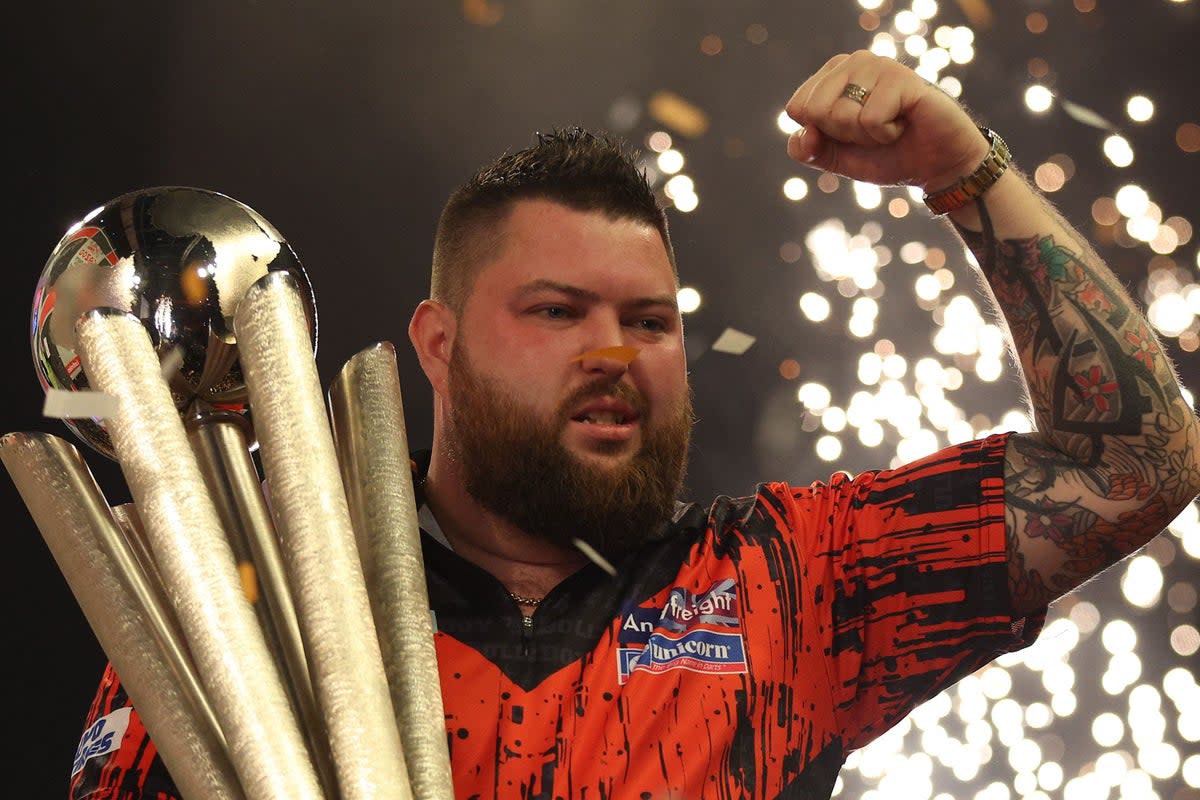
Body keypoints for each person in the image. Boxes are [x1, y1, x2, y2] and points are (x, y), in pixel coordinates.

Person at [69, 51, 1199, 799]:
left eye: (649, 320)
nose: (613, 354)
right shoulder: (252, 604)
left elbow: (1132, 461)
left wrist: (964, 170)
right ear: (438, 345)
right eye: (558, 312)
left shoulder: (786, 578)